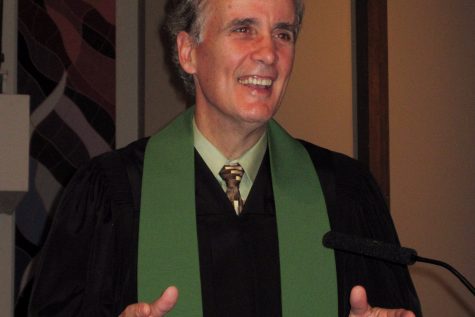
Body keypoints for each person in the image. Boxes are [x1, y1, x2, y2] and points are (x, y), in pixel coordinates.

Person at [29, 0, 422, 316]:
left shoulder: (345, 194)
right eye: (243, 28)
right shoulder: (110, 194)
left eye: (283, 33)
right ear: (188, 53)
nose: (269, 53)